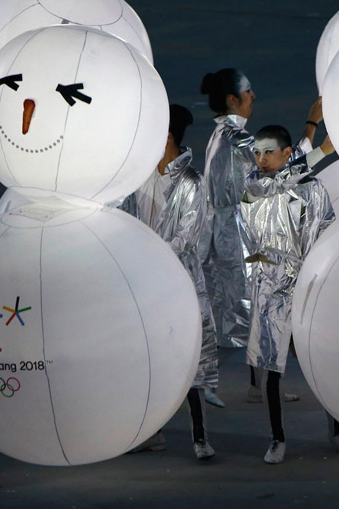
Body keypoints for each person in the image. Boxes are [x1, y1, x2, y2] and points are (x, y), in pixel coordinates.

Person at [240, 124, 339, 464]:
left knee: (324, 361)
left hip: (310, 286)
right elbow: (274, 185)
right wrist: (322, 151)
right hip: (271, 288)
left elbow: (328, 230)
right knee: (272, 367)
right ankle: (276, 438)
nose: (261, 159)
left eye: (268, 152)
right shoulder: (254, 186)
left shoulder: (313, 188)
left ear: (286, 153)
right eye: (257, 153)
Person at [199, 68, 321, 405]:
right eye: (248, 91)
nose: (254, 96)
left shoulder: (223, 135)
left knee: (250, 309)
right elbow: (284, 168)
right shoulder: (236, 139)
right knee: (245, 312)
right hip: (237, 239)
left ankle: (257, 384)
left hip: (233, 234)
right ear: (232, 99)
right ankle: (204, 381)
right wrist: (312, 127)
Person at [122, 104, 218, 460]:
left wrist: (147, 254)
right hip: (143, 283)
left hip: (178, 284)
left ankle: (200, 437)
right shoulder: (139, 178)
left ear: (165, 137)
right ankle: (151, 432)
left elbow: (186, 238)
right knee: (147, 359)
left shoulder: (191, 182)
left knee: (188, 360)